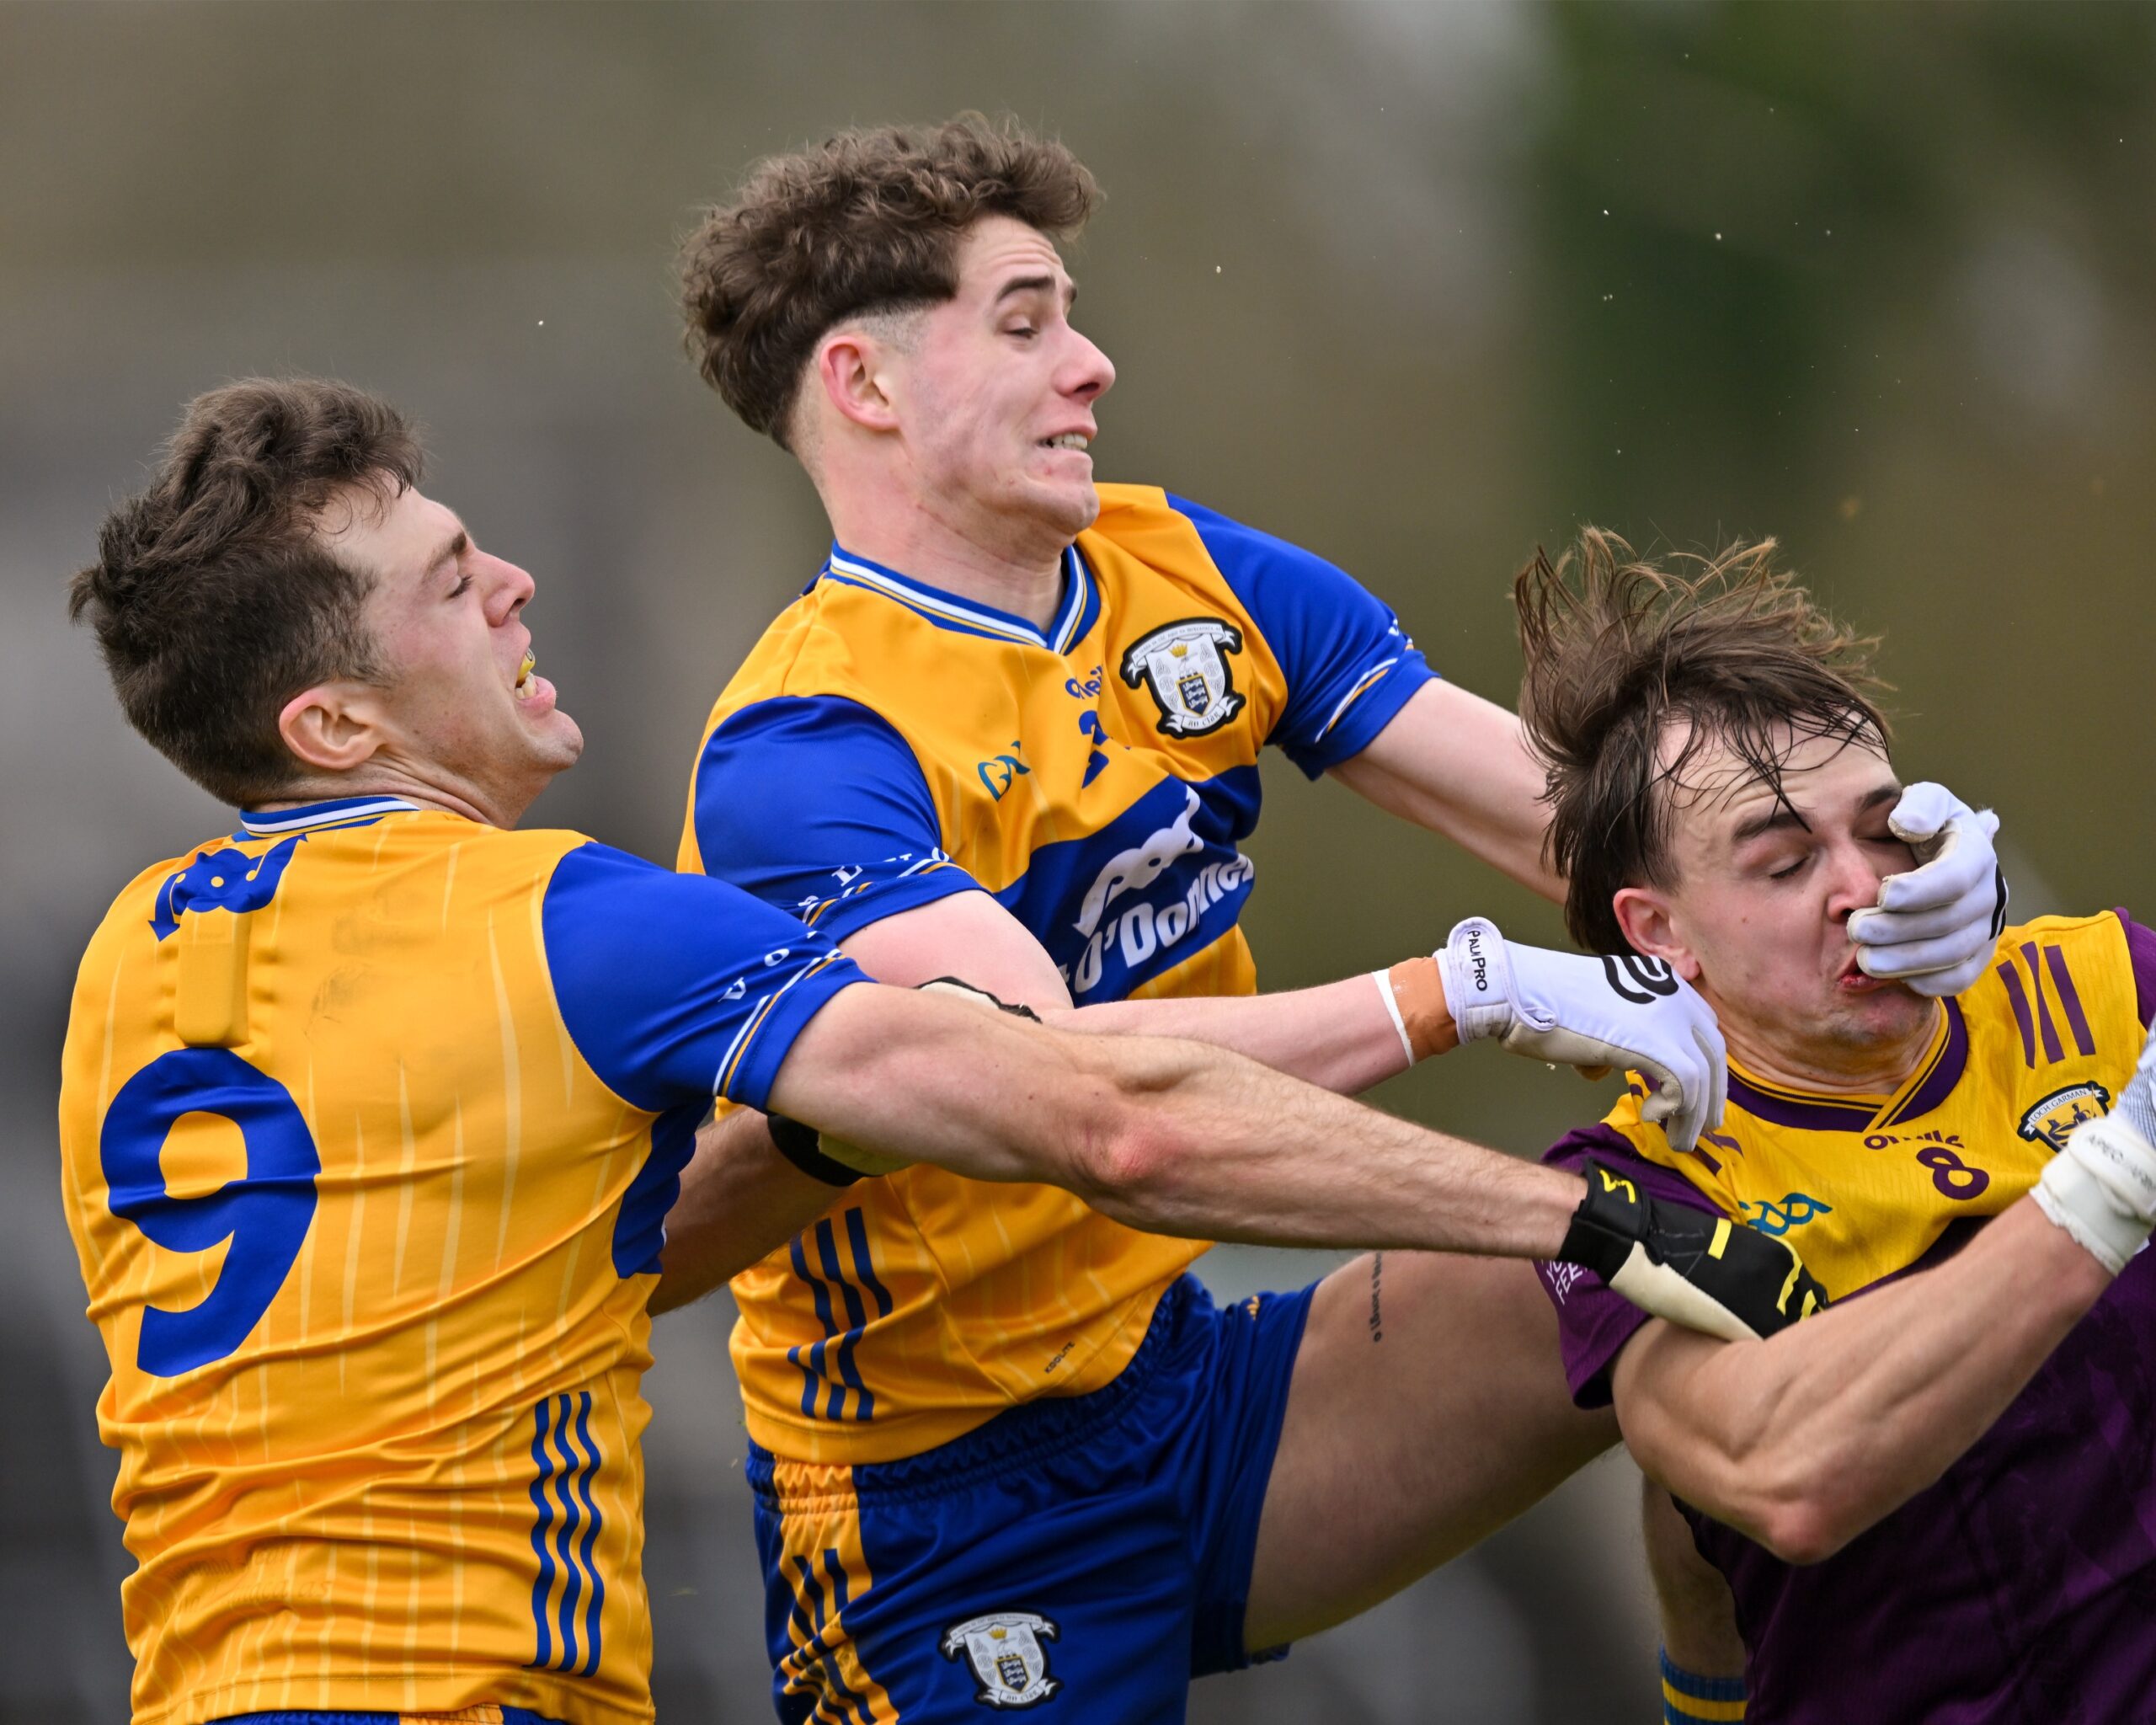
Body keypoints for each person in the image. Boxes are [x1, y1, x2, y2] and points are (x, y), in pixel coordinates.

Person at [56, 382, 1814, 1725]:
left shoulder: (125, 966)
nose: (514, 582)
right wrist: (1552, 1165)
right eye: (451, 580)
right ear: (335, 722)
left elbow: (579, 1245)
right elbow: (1104, 1120)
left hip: (203, 1688)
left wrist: (838, 1119)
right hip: (500, 1685)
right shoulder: (567, 920)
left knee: (1692, 1368)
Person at [666, 115, 2009, 1717]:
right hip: (941, 1498)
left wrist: (1895, 870)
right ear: (865, 386)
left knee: (1776, 1280)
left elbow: (1602, 839)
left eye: (1072, 317)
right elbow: (1089, 1109)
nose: (1091, 364)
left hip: (1207, 1386)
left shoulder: (1184, 575)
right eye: (1025, 324)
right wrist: (1460, 995)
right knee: (1641, 1247)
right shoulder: (808, 748)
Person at [1514, 531, 2156, 1724]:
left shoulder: (2101, 985)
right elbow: (1786, 1476)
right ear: (1659, 931)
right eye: (1786, 863)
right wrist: (2114, 1180)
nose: (1865, 889)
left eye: (1885, 830)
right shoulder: (1638, 1181)